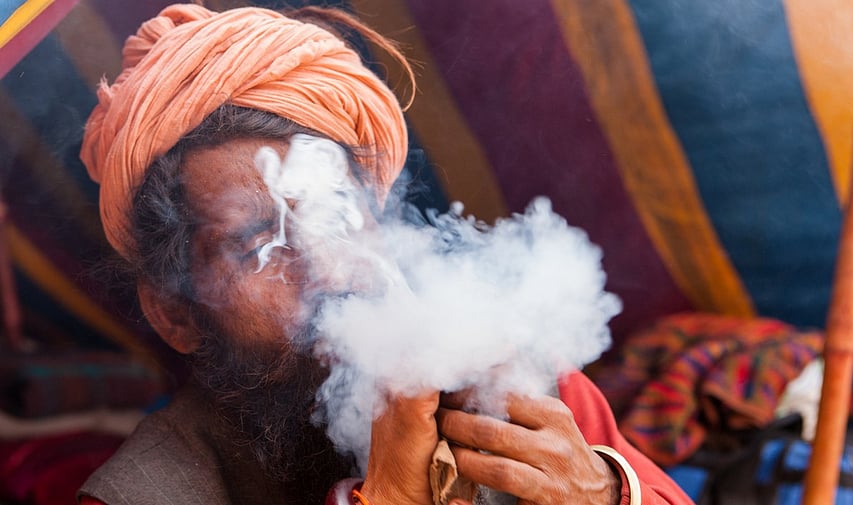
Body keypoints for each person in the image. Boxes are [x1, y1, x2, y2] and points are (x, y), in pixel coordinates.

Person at [76, 4, 693, 505]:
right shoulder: (144, 493)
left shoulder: (516, 370)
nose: (325, 267)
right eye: (259, 244)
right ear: (173, 315)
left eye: (337, 213)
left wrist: (609, 492)